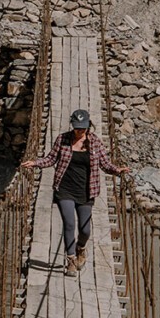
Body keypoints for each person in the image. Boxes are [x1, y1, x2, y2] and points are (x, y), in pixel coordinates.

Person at [21, 109, 130, 276]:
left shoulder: (94, 142)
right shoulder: (63, 139)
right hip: (64, 189)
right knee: (69, 223)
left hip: (86, 191)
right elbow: (51, 159)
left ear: (88, 126)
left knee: (85, 230)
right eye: (77, 128)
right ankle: (71, 260)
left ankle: (81, 248)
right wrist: (35, 163)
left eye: (83, 128)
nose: (80, 131)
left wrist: (117, 170)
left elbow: (105, 164)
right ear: (72, 125)